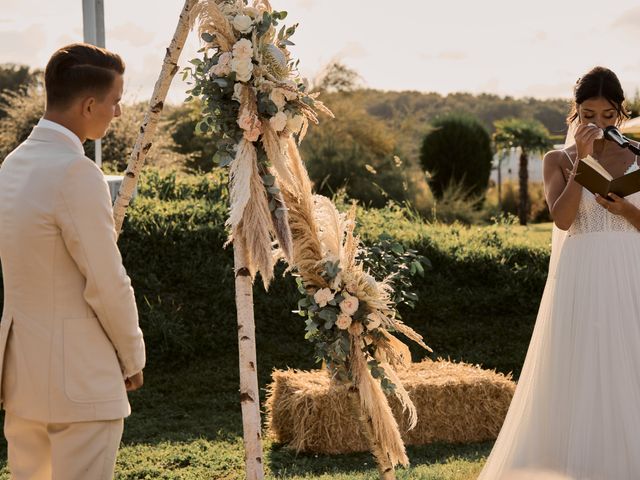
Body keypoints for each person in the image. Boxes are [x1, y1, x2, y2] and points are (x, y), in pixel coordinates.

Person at [478, 66, 640, 480]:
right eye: (589, 115)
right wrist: (583, 164)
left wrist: (627, 210)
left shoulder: (637, 156)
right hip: (583, 272)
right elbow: (563, 219)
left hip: (630, 270)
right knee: (582, 363)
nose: (598, 124)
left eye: (608, 115)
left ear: (620, 112)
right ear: (576, 112)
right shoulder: (557, 159)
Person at [0, 43, 145, 480]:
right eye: (115, 101)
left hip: (22, 378)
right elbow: (106, 281)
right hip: (80, 381)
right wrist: (131, 354)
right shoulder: (77, 172)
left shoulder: (12, 165)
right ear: (88, 105)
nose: (117, 113)